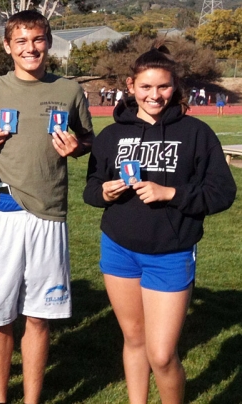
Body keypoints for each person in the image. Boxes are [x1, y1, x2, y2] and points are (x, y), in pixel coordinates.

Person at [83, 47, 236, 404]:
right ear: (130, 86)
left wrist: (171, 193)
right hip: (119, 249)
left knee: (162, 354)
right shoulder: (111, 136)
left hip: (171, 252)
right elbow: (91, 188)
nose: (155, 95)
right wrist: (104, 192)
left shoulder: (196, 133)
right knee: (134, 341)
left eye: (164, 87)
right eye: (146, 86)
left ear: (175, 87)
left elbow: (222, 193)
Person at [0, 10, 94, 404]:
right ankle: (0, 399)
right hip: (0, 208)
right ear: (7, 46)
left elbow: (87, 139)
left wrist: (77, 148)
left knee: (38, 316)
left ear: (48, 43)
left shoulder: (69, 90)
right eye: (21, 41)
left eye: (37, 40)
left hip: (48, 211)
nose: (30, 48)